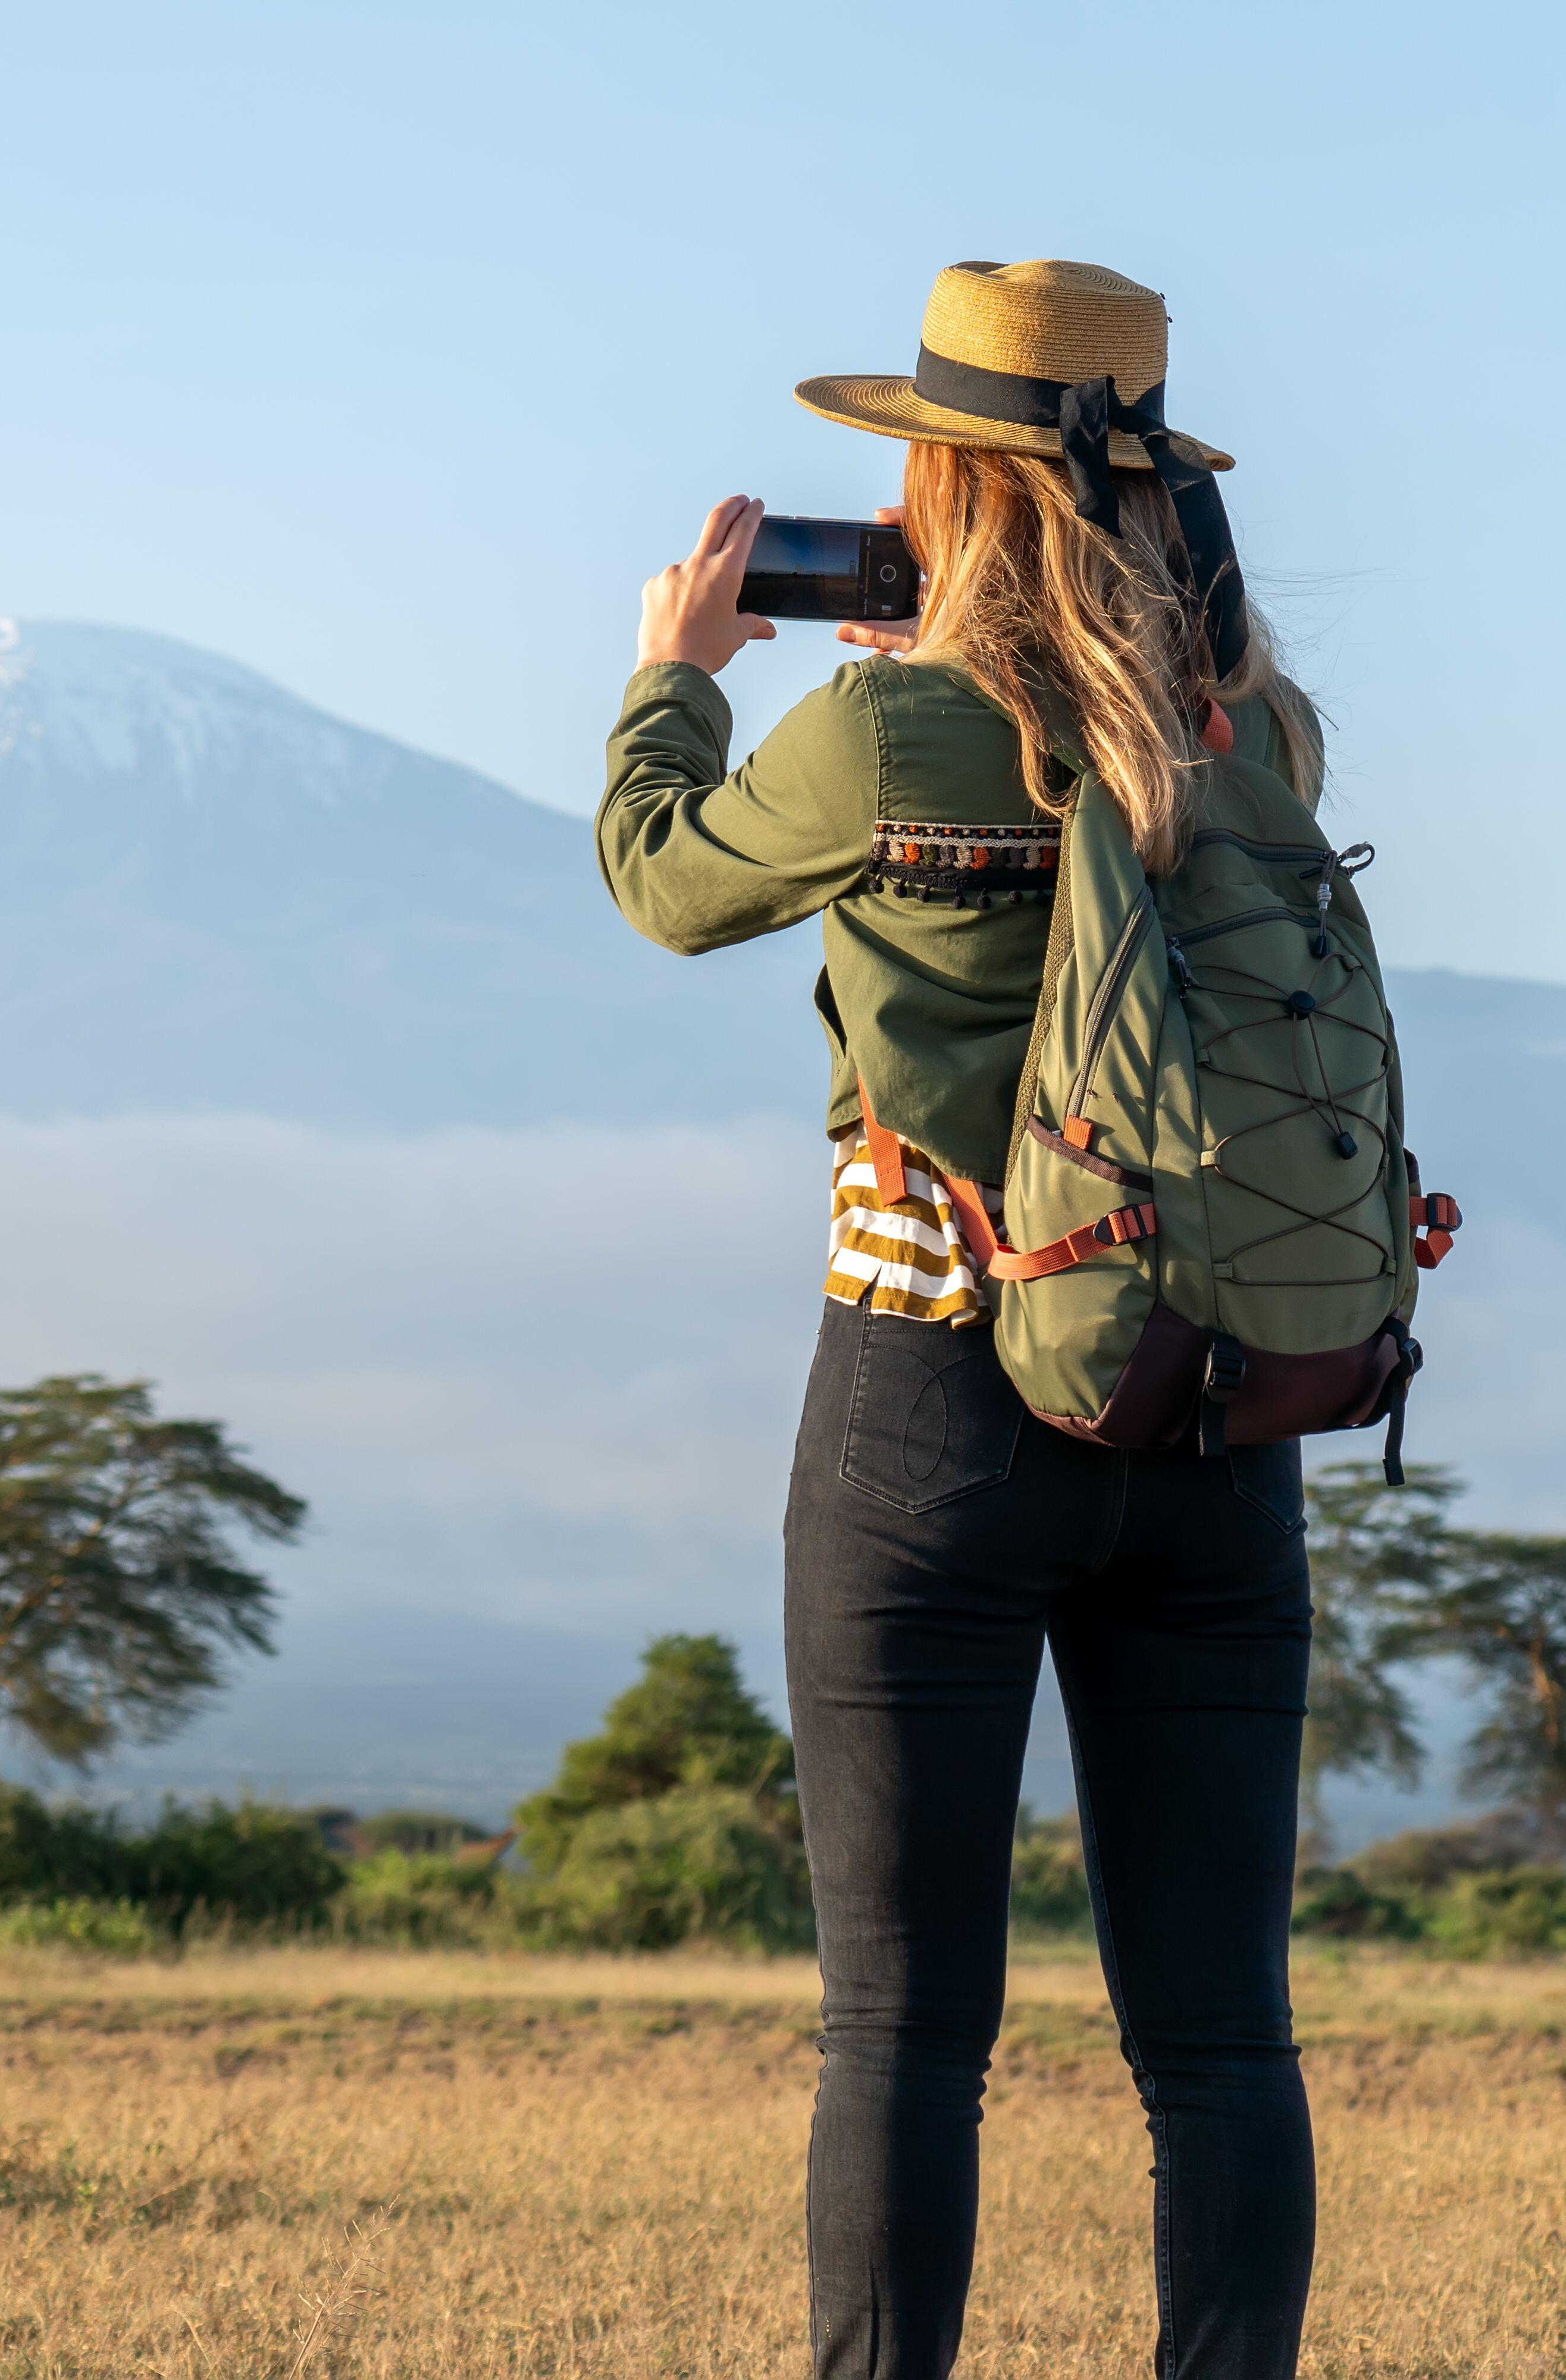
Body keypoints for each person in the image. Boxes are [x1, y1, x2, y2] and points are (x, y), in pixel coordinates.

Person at [597, 260, 1332, 2380]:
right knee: (1218, 2036)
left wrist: (680, 674)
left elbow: (661, 880)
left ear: (945, 485)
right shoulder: (1253, 725)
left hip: (932, 1398)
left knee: (906, 2033)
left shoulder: (888, 728)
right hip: (1213, 1411)